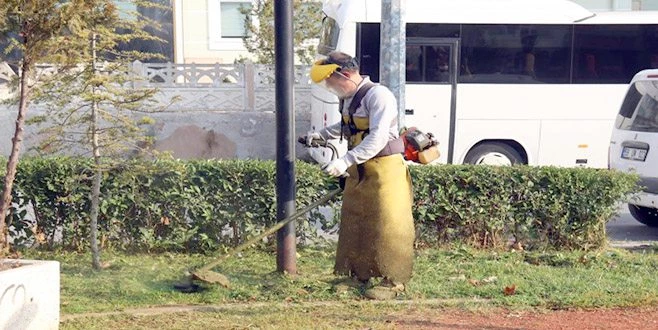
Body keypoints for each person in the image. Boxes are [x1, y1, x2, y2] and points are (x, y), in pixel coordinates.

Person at [302, 51, 415, 300]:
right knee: (356, 220)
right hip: (360, 168)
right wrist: (321, 135)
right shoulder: (349, 97)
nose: (329, 87)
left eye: (330, 81)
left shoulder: (379, 95)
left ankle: (393, 281)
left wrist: (344, 160)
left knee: (388, 224)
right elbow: (347, 126)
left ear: (345, 74)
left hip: (386, 168)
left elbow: (377, 137)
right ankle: (358, 275)